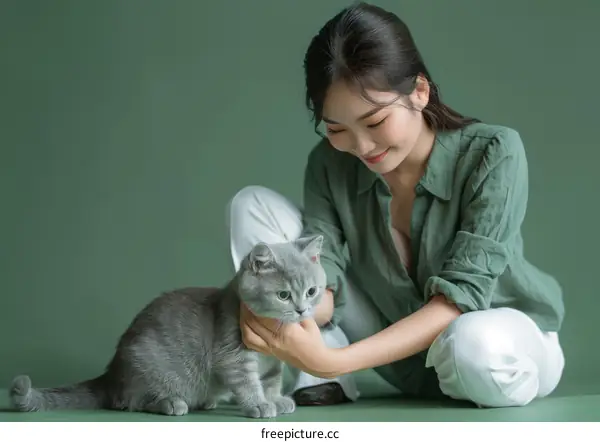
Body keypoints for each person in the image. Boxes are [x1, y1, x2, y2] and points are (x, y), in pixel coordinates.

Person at [226, 2, 565, 408]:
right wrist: (276, 311)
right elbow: (323, 271)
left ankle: (328, 363)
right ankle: (314, 365)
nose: (361, 146)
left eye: (375, 122)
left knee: (475, 344)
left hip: (503, 338)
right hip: (395, 344)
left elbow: (460, 298)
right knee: (252, 204)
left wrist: (336, 360)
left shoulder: (494, 152)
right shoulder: (329, 163)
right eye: (336, 128)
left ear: (419, 91)